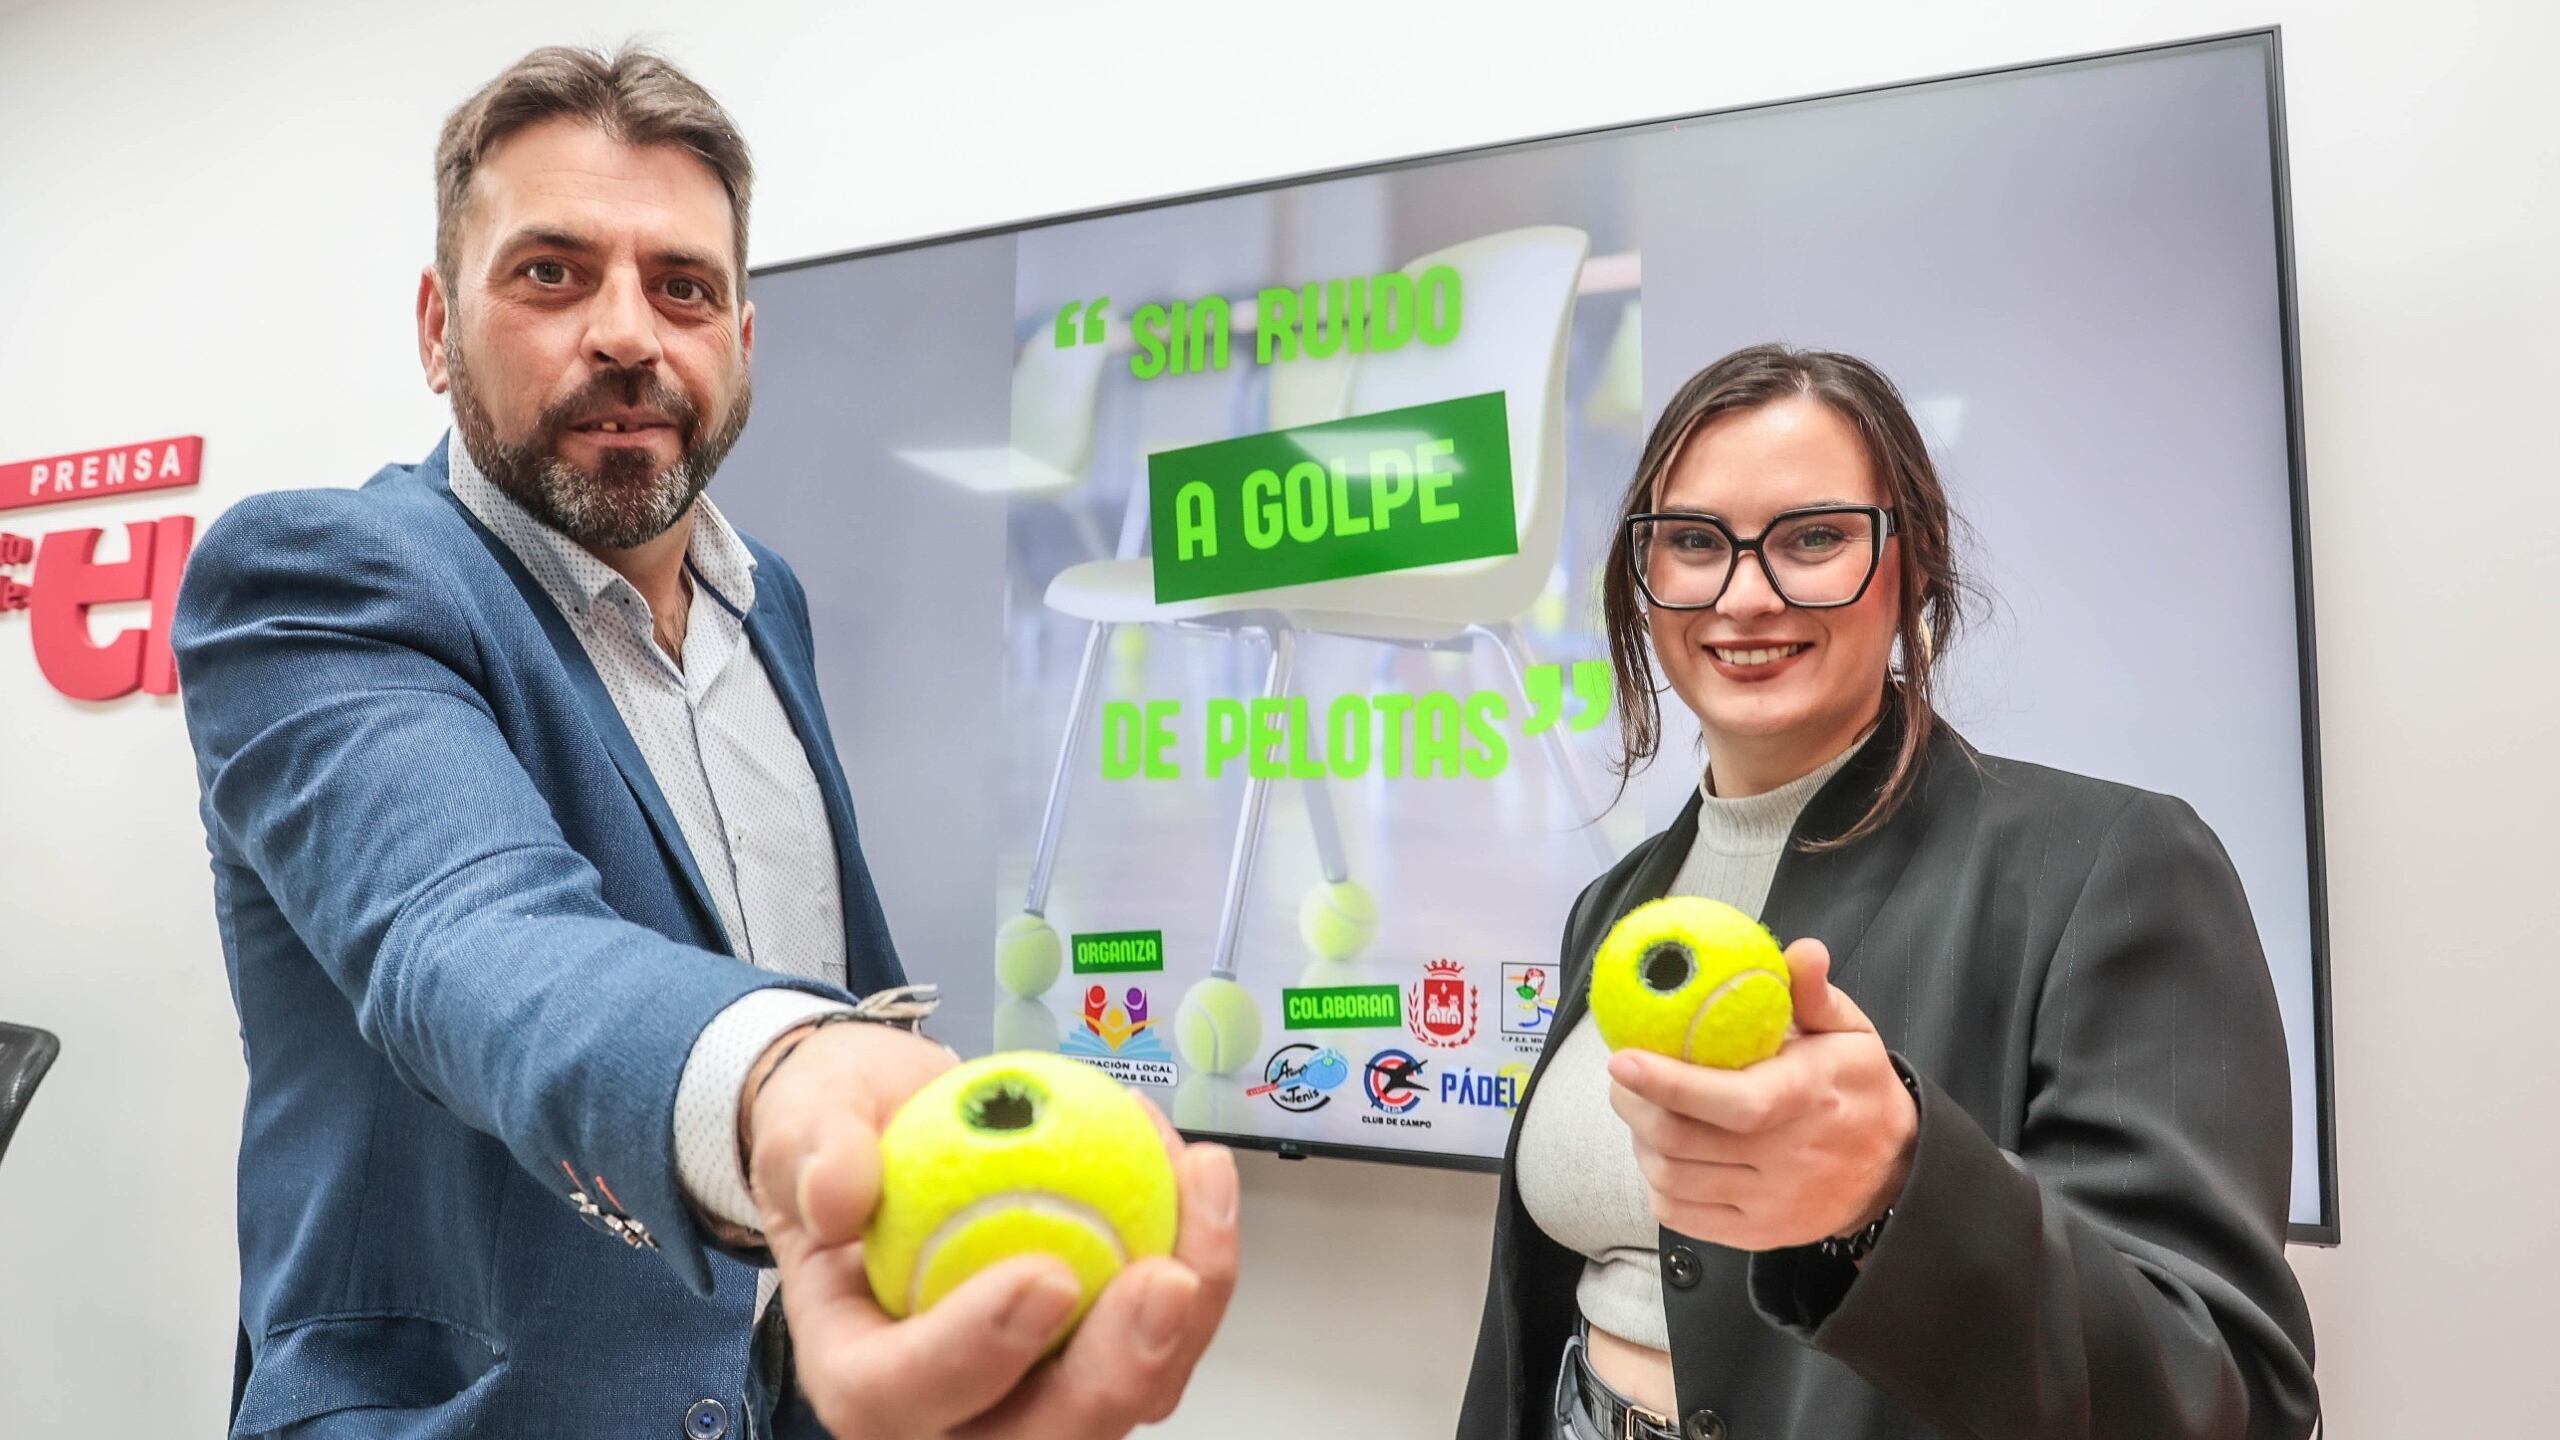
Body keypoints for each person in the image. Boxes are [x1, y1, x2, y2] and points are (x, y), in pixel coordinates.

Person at [175, 45, 1235, 1440]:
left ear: (742, 336)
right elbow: (473, 939)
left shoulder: (763, 599)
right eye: (550, 273)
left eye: (682, 285)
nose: (627, 332)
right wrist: (790, 1083)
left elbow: (825, 957)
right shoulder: (323, 576)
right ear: (437, 328)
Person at [1460, 345, 2318, 1440]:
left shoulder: (2115, 866)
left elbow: (2225, 1396)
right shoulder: (1621, 909)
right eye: (1690, 542)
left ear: (1910, 564)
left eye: (1813, 537)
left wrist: (1896, 1193)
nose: (1744, 593)